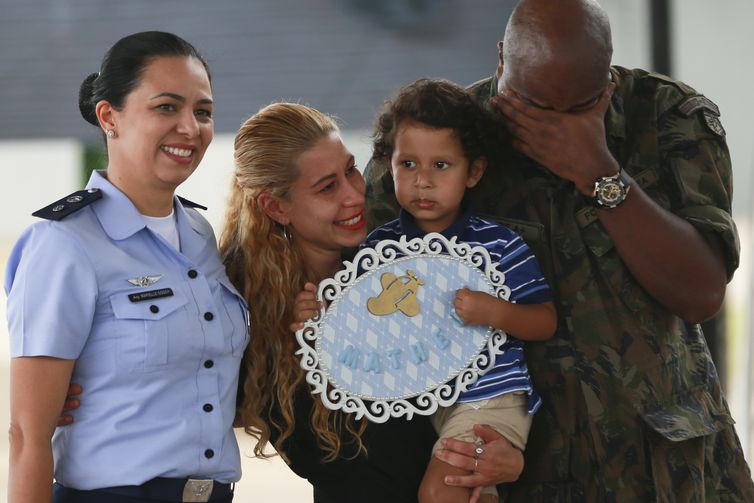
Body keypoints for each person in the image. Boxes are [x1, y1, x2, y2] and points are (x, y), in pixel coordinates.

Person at [364, 0, 754, 501]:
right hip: (515, 458)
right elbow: (372, 295)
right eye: (531, 107)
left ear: (607, 83)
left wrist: (600, 173)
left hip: (662, 464)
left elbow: (701, 294)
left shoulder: (667, 119)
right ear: (502, 61)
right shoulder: (440, 143)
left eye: (575, 110)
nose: (550, 128)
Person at [220, 101, 527, 503]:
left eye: (350, 169)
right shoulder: (235, 306)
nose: (354, 194)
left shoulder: (397, 264)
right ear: (276, 207)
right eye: (327, 187)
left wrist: (506, 460)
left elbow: (490, 380)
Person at [5, 31, 248, 503]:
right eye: (166, 107)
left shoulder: (200, 234)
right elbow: (26, 436)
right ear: (108, 116)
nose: (190, 127)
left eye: (203, 111)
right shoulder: (64, 243)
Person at [361, 78, 557, 503]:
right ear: (387, 164)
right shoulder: (379, 248)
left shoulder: (500, 244)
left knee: (440, 493)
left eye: (441, 165)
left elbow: (545, 320)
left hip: (491, 397)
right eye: (407, 165)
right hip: (421, 402)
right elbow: (361, 318)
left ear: (475, 172)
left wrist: (496, 312)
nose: (423, 181)